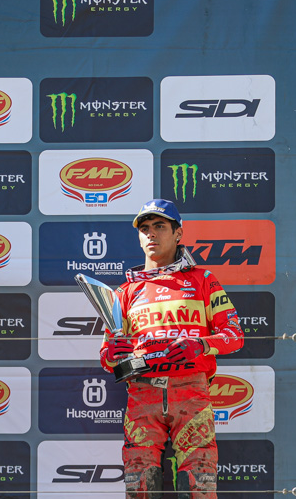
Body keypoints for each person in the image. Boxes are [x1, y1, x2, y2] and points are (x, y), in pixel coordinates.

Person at [99, 199, 243, 499]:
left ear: (178, 234)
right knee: (140, 485)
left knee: (199, 483)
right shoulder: (125, 292)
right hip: (142, 394)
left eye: (160, 226)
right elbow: (107, 356)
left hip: (191, 392)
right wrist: (113, 354)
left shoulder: (203, 280)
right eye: (145, 228)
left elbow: (234, 336)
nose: (151, 233)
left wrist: (201, 344)